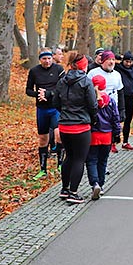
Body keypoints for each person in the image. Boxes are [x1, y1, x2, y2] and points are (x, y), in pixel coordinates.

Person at [52, 52, 98, 204]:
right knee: (79, 159)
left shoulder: (62, 80)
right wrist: (93, 118)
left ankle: (64, 189)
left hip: (65, 125)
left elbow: (55, 102)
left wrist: (66, 112)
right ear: (84, 66)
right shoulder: (86, 81)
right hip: (81, 126)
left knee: (69, 157)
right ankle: (73, 192)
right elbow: (92, 105)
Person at [26, 49, 65, 179]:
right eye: (44, 59)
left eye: (49, 58)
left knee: (58, 134)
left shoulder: (59, 69)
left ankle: (60, 164)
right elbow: (28, 90)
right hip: (41, 109)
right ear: (40, 59)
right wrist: (38, 94)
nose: (47, 61)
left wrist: (49, 93)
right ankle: (43, 169)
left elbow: (62, 88)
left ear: (52, 58)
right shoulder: (34, 71)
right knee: (43, 139)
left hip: (55, 108)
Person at [87, 75, 121, 200]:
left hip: (92, 135)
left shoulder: (90, 100)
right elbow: (115, 118)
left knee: (91, 161)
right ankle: (101, 185)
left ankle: (94, 183)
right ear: (104, 85)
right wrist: (117, 133)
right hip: (107, 135)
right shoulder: (110, 100)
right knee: (103, 161)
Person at [87, 50, 125, 153]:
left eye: (113, 59)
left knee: (109, 137)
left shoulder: (117, 75)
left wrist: (121, 110)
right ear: (103, 61)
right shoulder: (93, 73)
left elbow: (120, 92)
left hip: (112, 109)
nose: (111, 62)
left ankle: (105, 161)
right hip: (97, 109)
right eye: (109, 59)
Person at [114, 51, 133, 150]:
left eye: (130, 62)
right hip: (121, 95)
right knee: (116, 119)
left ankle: (125, 142)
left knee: (128, 119)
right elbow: (110, 56)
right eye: (126, 61)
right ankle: (114, 142)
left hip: (131, 96)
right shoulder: (118, 67)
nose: (128, 64)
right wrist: (119, 57)